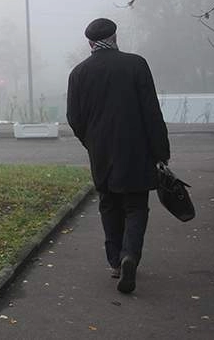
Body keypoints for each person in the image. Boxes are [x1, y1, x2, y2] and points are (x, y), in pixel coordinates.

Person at [66, 18, 170, 294]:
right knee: (136, 206)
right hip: (137, 150)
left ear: (89, 43)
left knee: (109, 204)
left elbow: (74, 118)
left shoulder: (78, 74)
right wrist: (161, 151)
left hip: (101, 151)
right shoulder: (136, 65)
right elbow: (151, 112)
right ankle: (130, 256)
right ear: (115, 38)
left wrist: (91, 142)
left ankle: (115, 261)